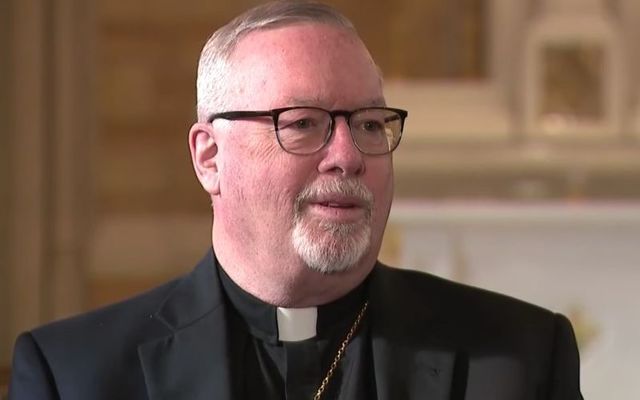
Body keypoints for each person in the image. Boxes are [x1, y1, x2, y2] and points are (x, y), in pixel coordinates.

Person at [8, 1, 583, 399]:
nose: (348, 155)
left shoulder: (518, 360)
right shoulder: (75, 377)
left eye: (369, 124)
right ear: (209, 157)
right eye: (304, 124)